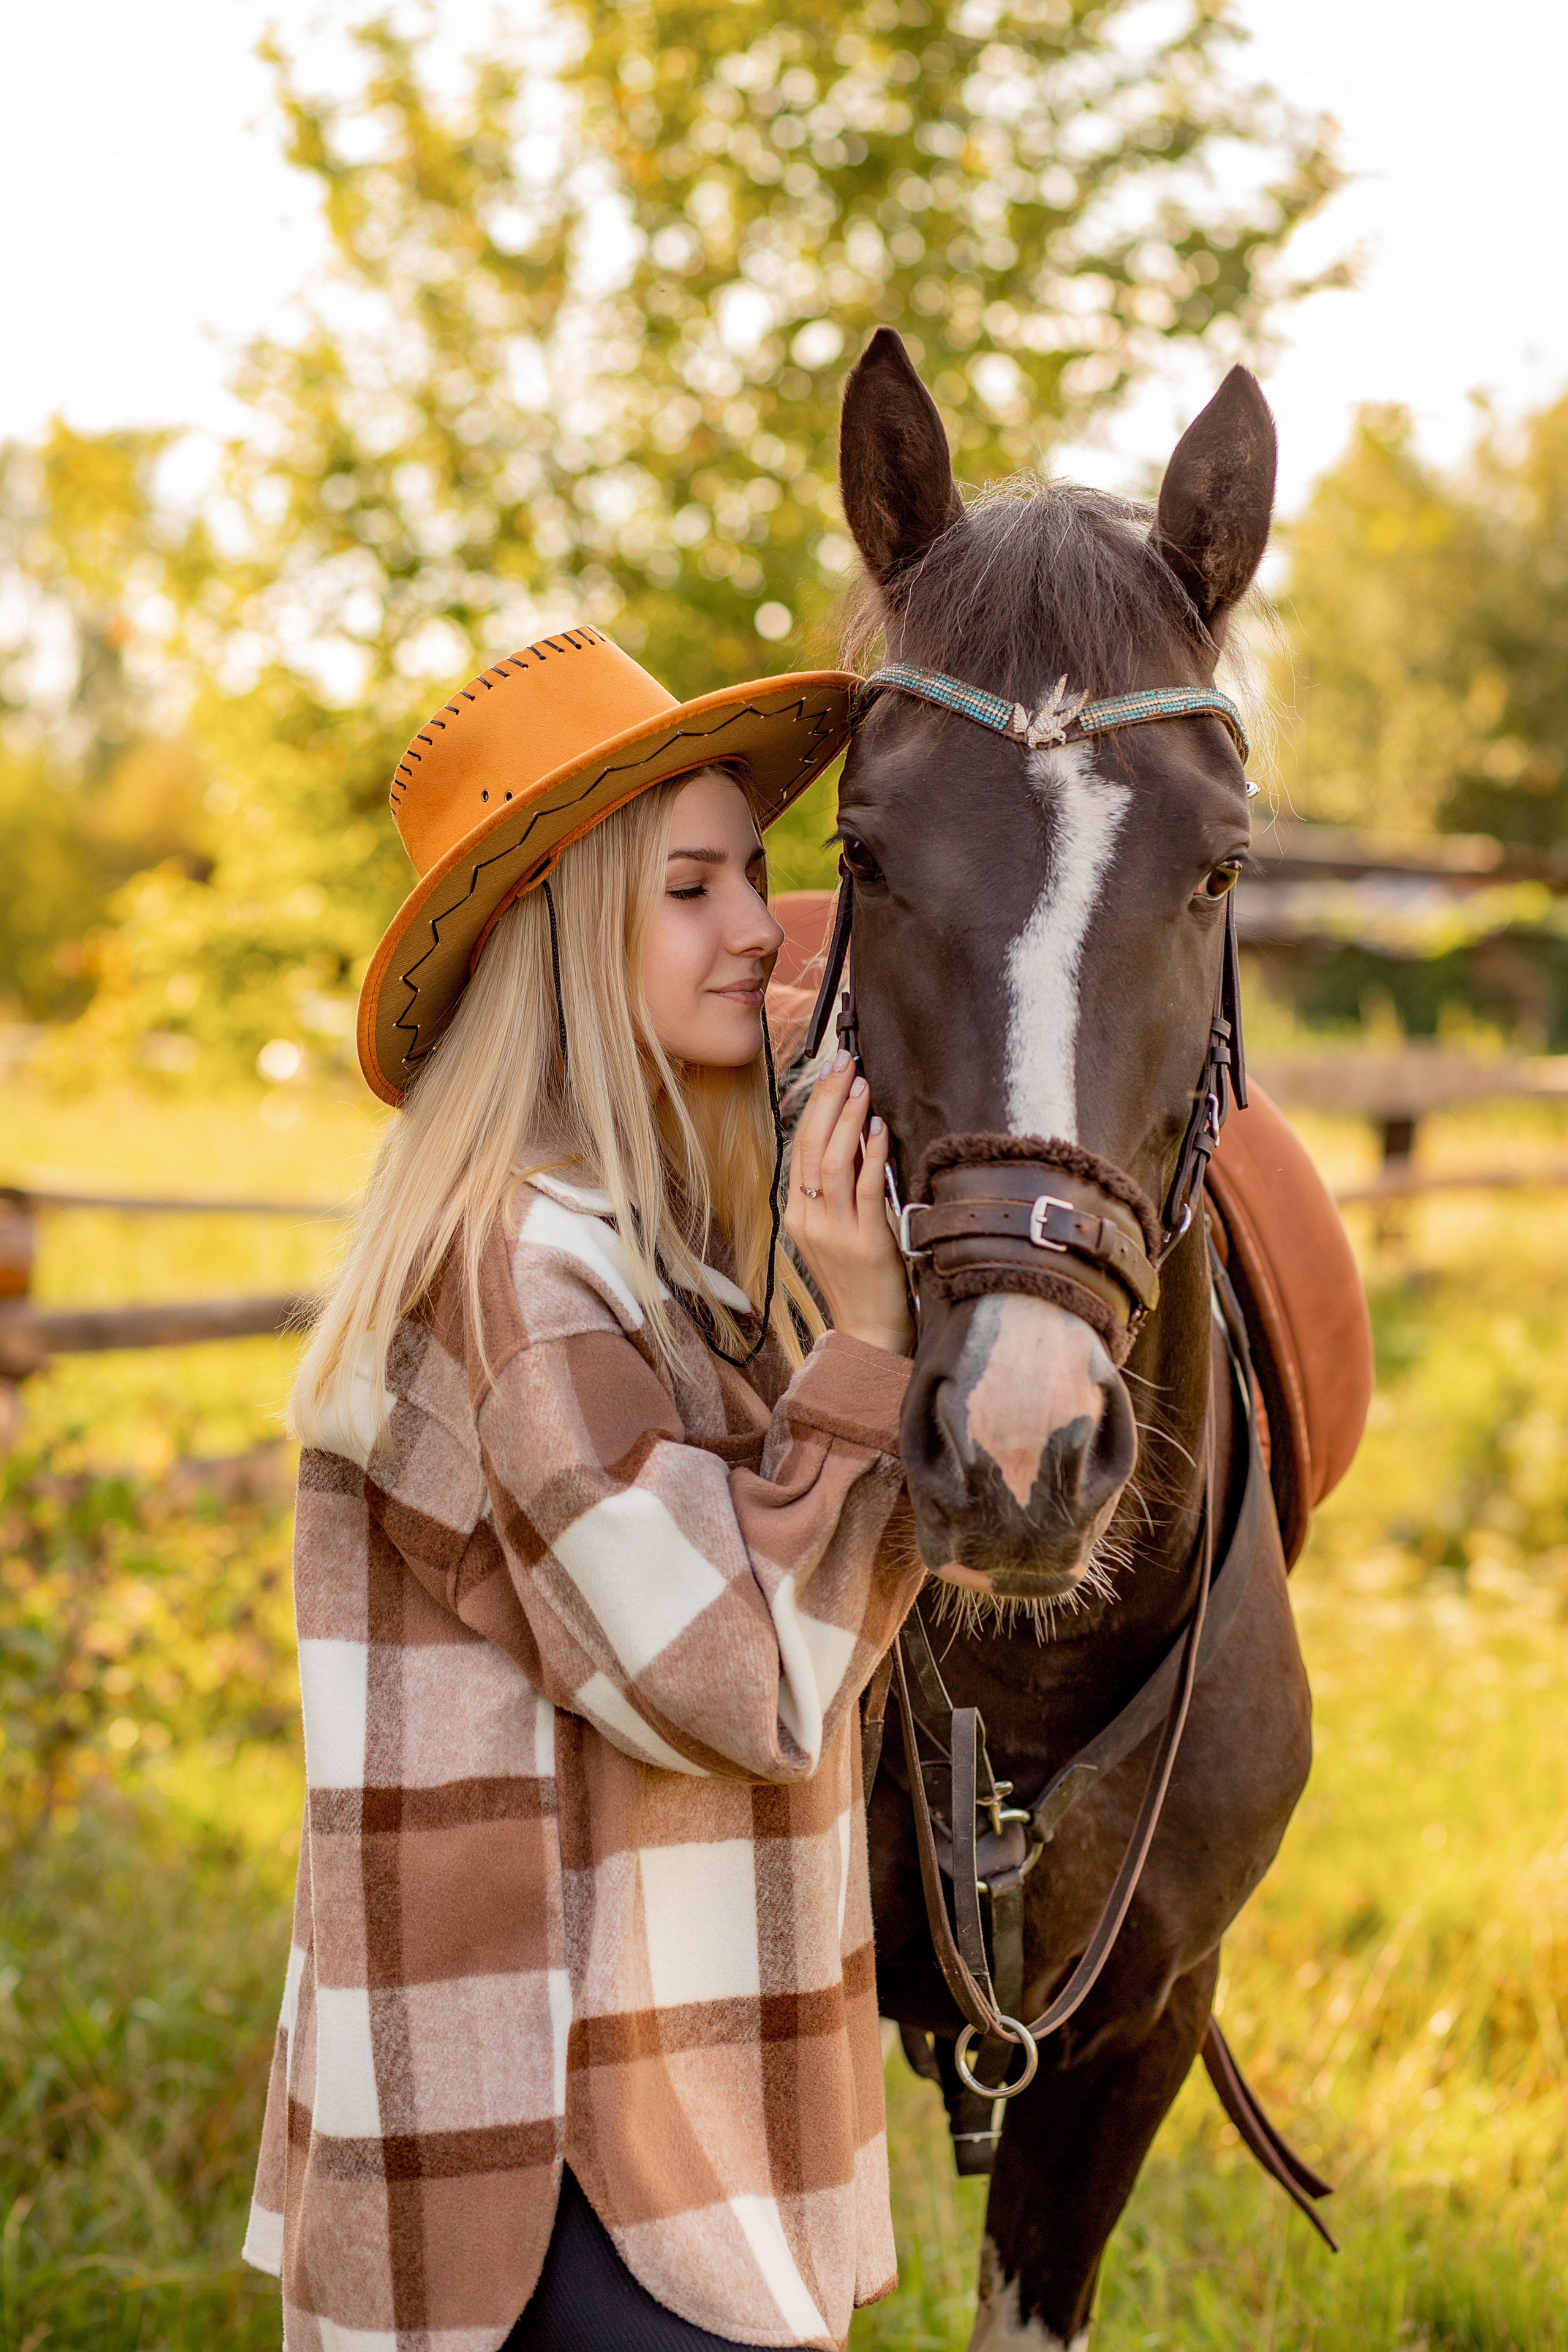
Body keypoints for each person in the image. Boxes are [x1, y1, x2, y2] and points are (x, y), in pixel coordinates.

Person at [244, 628, 925, 2352]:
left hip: (628, 2138)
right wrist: (864, 1347)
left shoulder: (638, 1264)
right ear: (564, 932)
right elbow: (750, 1685)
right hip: (577, 2181)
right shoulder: (524, 1282)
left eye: (754, 875)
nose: (761, 929)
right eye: (689, 888)